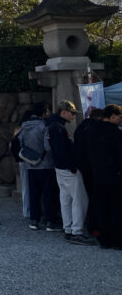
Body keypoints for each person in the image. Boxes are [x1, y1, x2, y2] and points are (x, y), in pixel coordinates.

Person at [45, 101, 94, 245]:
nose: (73, 116)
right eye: (72, 113)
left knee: (66, 199)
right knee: (80, 199)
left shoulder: (53, 125)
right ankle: (76, 231)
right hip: (67, 168)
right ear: (64, 112)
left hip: (60, 168)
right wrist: (72, 167)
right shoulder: (58, 127)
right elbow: (62, 150)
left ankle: (68, 229)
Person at [85, 104, 122, 249]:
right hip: (114, 175)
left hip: (95, 174)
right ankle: (118, 240)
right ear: (112, 116)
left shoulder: (90, 131)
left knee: (101, 207)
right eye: (119, 117)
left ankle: (104, 239)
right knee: (116, 208)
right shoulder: (117, 134)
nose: (120, 120)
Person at [18, 103, 59, 231]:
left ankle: (34, 220)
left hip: (30, 164)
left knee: (34, 194)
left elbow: (20, 142)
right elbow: (47, 147)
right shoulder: (44, 126)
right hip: (46, 165)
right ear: (43, 113)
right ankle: (49, 221)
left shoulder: (24, 126)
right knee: (48, 194)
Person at [75, 107, 104, 234]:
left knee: (86, 197)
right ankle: (94, 226)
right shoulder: (95, 130)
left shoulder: (80, 128)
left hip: (83, 167)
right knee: (96, 198)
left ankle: (89, 225)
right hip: (94, 168)